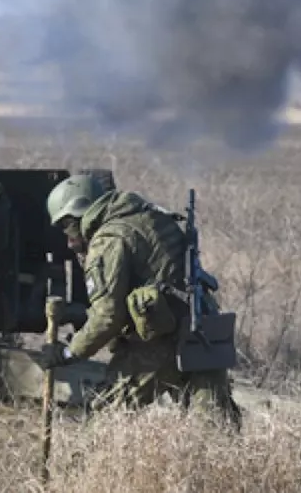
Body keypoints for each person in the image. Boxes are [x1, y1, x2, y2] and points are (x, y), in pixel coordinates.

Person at [37, 174, 241, 429]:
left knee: (101, 424)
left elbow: (107, 317)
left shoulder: (109, 240)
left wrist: (67, 353)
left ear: (80, 213)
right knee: (216, 431)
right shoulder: (149, 215)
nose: (68, 238)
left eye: (67, 225)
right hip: (203, 327)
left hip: (158, 343)